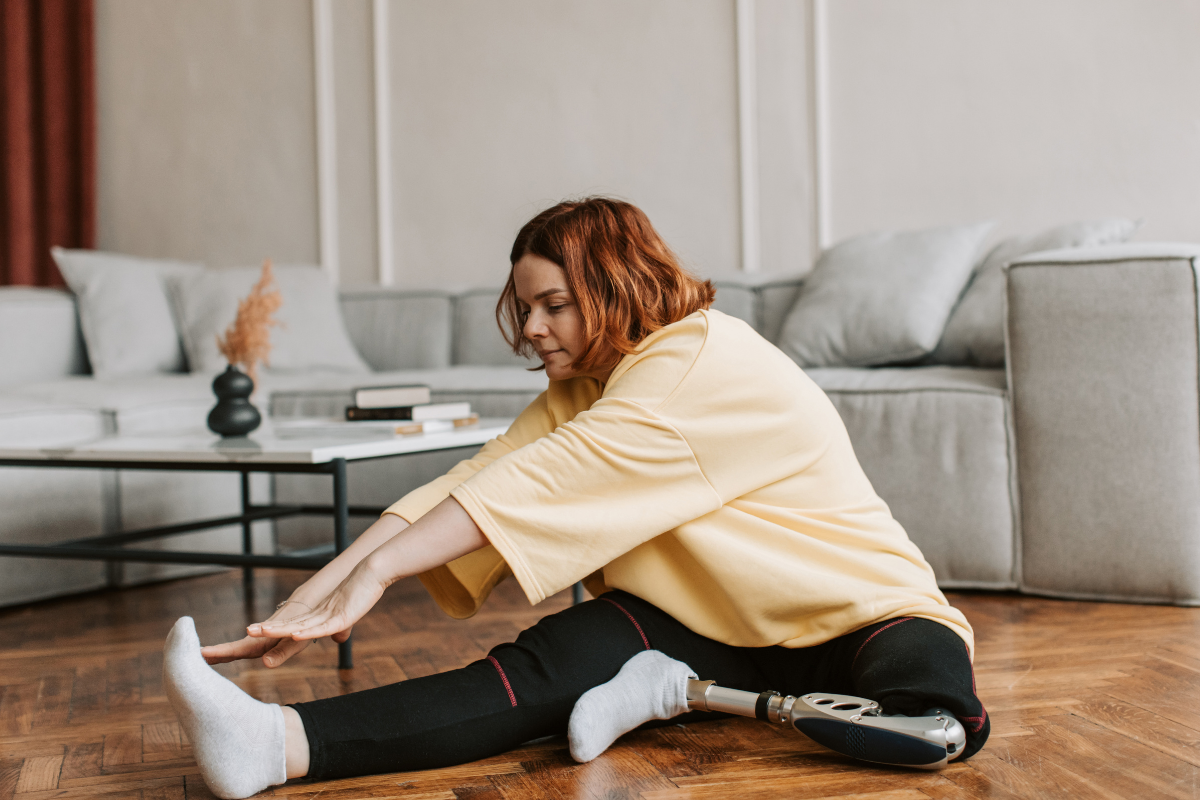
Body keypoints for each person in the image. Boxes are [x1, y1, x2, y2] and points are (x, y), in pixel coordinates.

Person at [163, 197, 989, 800]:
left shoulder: (697, 360)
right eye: (526, 308)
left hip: (861, 619)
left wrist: (377, 577)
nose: (531, 329)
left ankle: (678, 696)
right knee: (541, 665)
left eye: (553, 305)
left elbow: (537, 483)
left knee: (938, 726)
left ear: (618, 285)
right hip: (709, 627)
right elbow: (474, 479)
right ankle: (272, 744)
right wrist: (320, 592)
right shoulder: (584, 387)